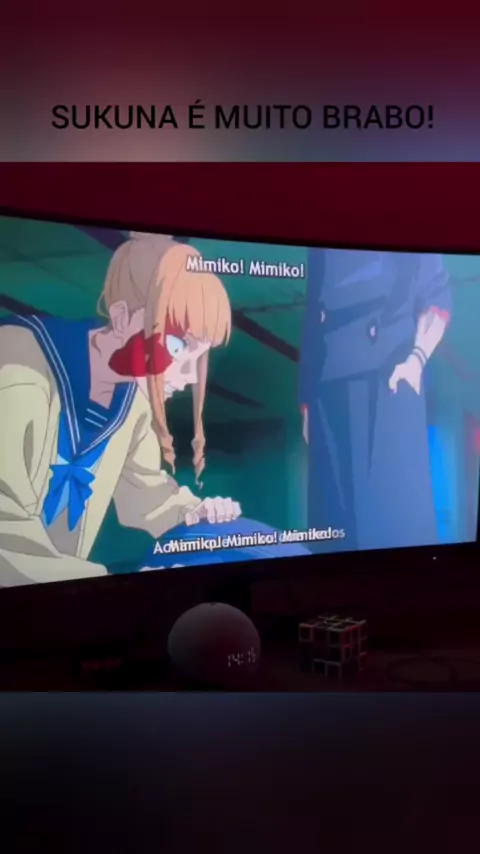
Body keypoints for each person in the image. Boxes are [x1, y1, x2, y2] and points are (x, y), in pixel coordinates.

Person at [0, 232, 241, 586]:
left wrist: (195, 511)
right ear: (122, 316)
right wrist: (112, 585)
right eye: (177, 346)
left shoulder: (132, 404)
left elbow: (146, 496)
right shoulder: (18, 363)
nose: (190, 374)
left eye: (199, 356)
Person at [299, 248, 452, 552]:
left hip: (388, 373)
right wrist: (306, 398)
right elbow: (312, 306)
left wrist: (416, 358)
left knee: (393, 521)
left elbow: (435, 290)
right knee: (332, 524)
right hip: (326, 382)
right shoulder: (319, 248)